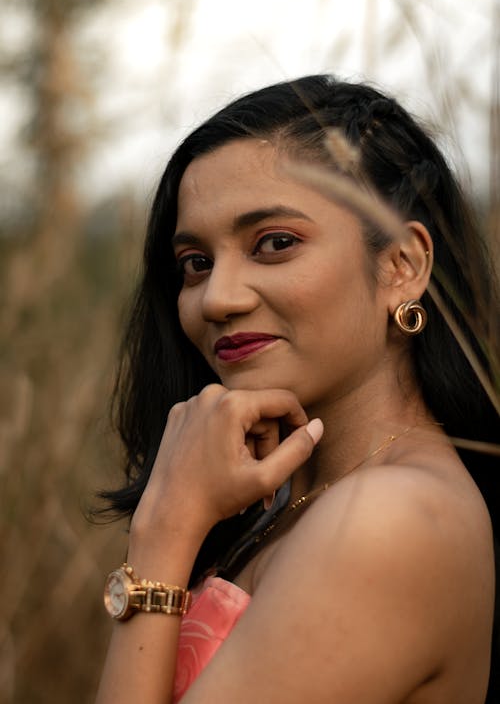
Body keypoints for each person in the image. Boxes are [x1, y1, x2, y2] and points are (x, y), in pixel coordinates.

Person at [95, 75, 500, 704]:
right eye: (195, 263)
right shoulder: (291, 501)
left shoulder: (388, 520)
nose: (218, 299)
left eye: (274, 244)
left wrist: (164, 532)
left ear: (402, 266)